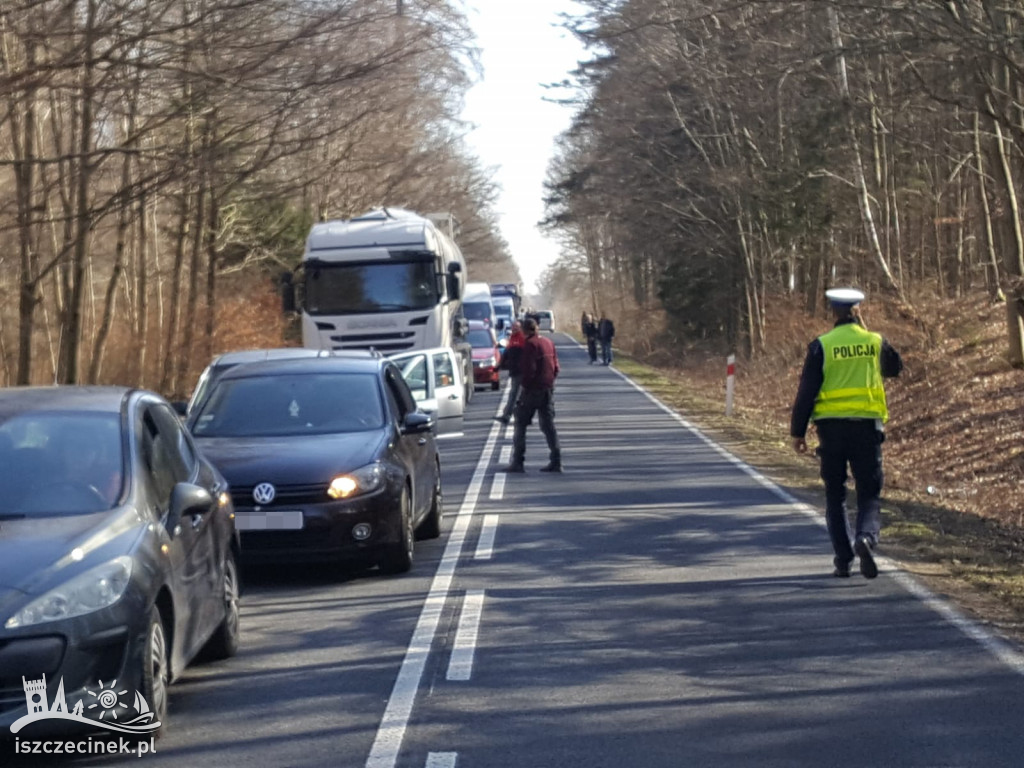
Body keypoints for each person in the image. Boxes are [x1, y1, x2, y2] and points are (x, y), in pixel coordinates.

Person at [790, 288, 903, 579]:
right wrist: (866, 331)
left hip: (831, 430)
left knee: (835, 495)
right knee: (869, 493)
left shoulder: (822, 345)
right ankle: (865, 537)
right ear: (858, 310)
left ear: (833, 312)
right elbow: (895, 368)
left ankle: (843, 559)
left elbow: (806, 392)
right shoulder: (875, 341)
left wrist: (798, 432)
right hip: (867, 428)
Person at [504, 317, 562, 473]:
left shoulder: (530, 345)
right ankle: (556, 460)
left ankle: (518, 461)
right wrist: (549, 383)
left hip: (533, 390)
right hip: (548, 389)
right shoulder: (548, 343)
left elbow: (529, 369)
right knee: (548, 425)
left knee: (520, 423)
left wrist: (525, 386)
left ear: (525, 330)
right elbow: (556, 367)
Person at [495, 320, 525, 424]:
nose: (514, 329)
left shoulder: (522, 338)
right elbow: (506, 353)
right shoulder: (512, 338)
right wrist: (499, 365)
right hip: (514, 371)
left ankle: (507, 416)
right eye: (513, 327)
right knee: (518, 395)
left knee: (514, 394)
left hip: (521, 371)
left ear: (521, 328)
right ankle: (520, 416)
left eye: (516, 327)